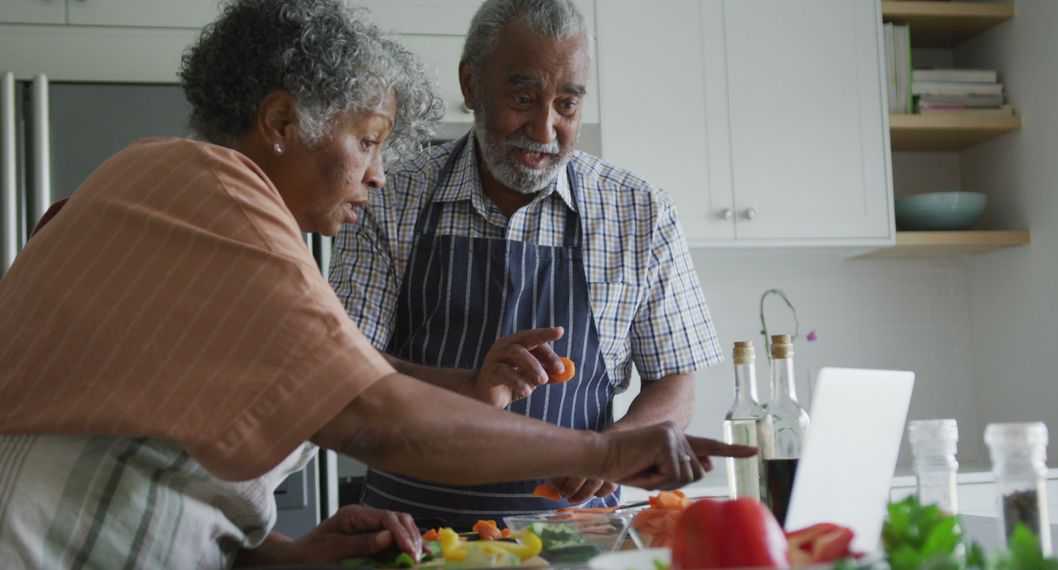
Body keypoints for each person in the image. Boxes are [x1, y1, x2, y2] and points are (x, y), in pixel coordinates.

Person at [0, 0, 751, 568]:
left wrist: (277, 556)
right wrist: (602, 454)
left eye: (568, 102)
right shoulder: (213, 193)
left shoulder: (184, 193)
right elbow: (369, 413)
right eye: (366, 141)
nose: (378, 173)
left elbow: (165, 449)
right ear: (283, 120)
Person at [330, 0, 725, 524]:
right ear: (471, 85)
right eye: (522, 98)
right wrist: (470, 385)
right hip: (411, 535)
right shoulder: (389, 192)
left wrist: (612, 451)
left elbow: (674, 380)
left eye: (566, 105)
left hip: (576, 535)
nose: (544, 130)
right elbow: (344, 367)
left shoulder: (640, 212)